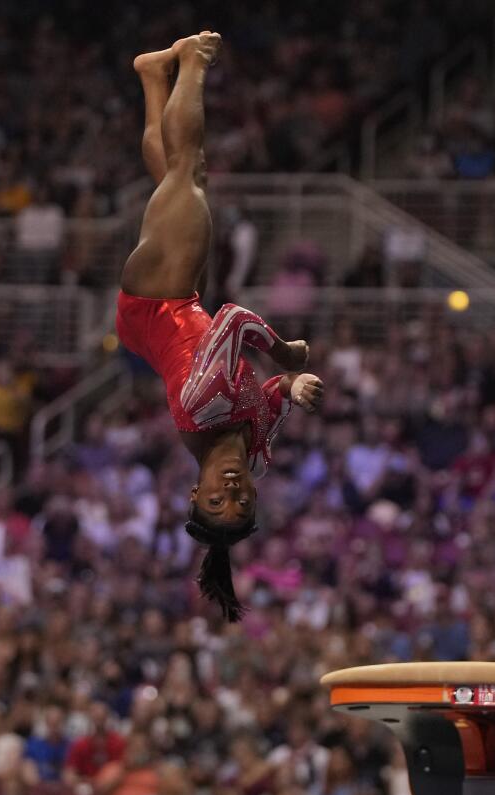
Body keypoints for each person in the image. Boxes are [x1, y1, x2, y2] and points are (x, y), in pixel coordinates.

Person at [118, 32, 326, 621]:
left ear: (195, 492)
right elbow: (270, 398)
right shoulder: (255, 451)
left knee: (188, 170)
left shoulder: (201, 408)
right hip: (176, 311)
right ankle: (153, 75)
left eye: (217, 497)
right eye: (240, 499)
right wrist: (296, 387)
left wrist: (285, 352)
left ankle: (191, 60)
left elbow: (234, 319)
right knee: (179, 184)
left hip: (156, 301)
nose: (232, 487)